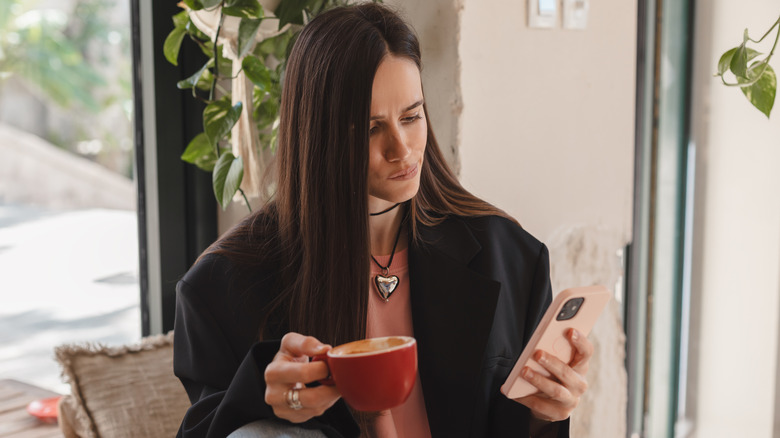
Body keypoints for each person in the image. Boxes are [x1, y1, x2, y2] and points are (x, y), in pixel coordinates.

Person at [173, 3, 593, 438]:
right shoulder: (221, 288)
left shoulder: (509, 258)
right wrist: (268, 400)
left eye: (411, 117)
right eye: (371, 128)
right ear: (318, 135)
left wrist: (544, 414)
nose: (402, 149)